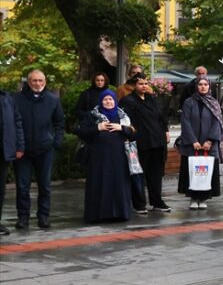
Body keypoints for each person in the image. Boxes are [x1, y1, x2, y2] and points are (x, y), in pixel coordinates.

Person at [13, 70, 64, 229]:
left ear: (45, 81)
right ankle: (23, 217)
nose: (37, 84)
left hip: (45, 149)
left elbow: (59, 123)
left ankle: (43, 216)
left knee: (45, 186)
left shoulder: (53, 100)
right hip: (23, 151)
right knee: (22, 186)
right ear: (28, 82)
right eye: (34, 81)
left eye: (41, 80)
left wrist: (56, 142)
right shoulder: (16, 99)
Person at [76, 90, 137, 223]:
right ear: (100, 101)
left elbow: (133, 134)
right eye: (105, 100)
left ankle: (120, 213)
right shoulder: (91, 116)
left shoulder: (122, 116)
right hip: (98, 158)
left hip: (119, 158)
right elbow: (81, 132)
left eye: (111, 99)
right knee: (99, 184)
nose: (108, 102)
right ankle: (97, 215)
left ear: (115, 101)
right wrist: (98, 127)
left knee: (119, 185)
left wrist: (121, 128)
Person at [120, 75, 171, 214]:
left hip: (157, 142)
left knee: (155, 175)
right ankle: (139, 204)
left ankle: (157, 202)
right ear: (134, 85)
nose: (144, 86)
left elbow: (161, 118)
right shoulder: (128, 101)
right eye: (140, 83)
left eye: (145, 83)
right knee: (138, 175)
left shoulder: (152, 99)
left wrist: (165, 131)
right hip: (140, 143)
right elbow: (125, 122)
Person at [177, 76, 223, 210]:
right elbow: (185, 122)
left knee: (206, 172)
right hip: (192, 145)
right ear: (196, 86)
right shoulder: (189, 102)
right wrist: (193, 141)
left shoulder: (214, 103)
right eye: (200, 84)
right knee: (192, 171)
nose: (203, 87)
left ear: (209, 86)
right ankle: (193, 197)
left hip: (209, 145)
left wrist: (210, 140)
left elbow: (217, 122)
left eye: (206, 84)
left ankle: (204, 198)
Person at [0, 88, 25, 235]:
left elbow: (17, 122)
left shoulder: (7, 98)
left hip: (3, 151)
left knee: (0, 190)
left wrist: (19, 145)